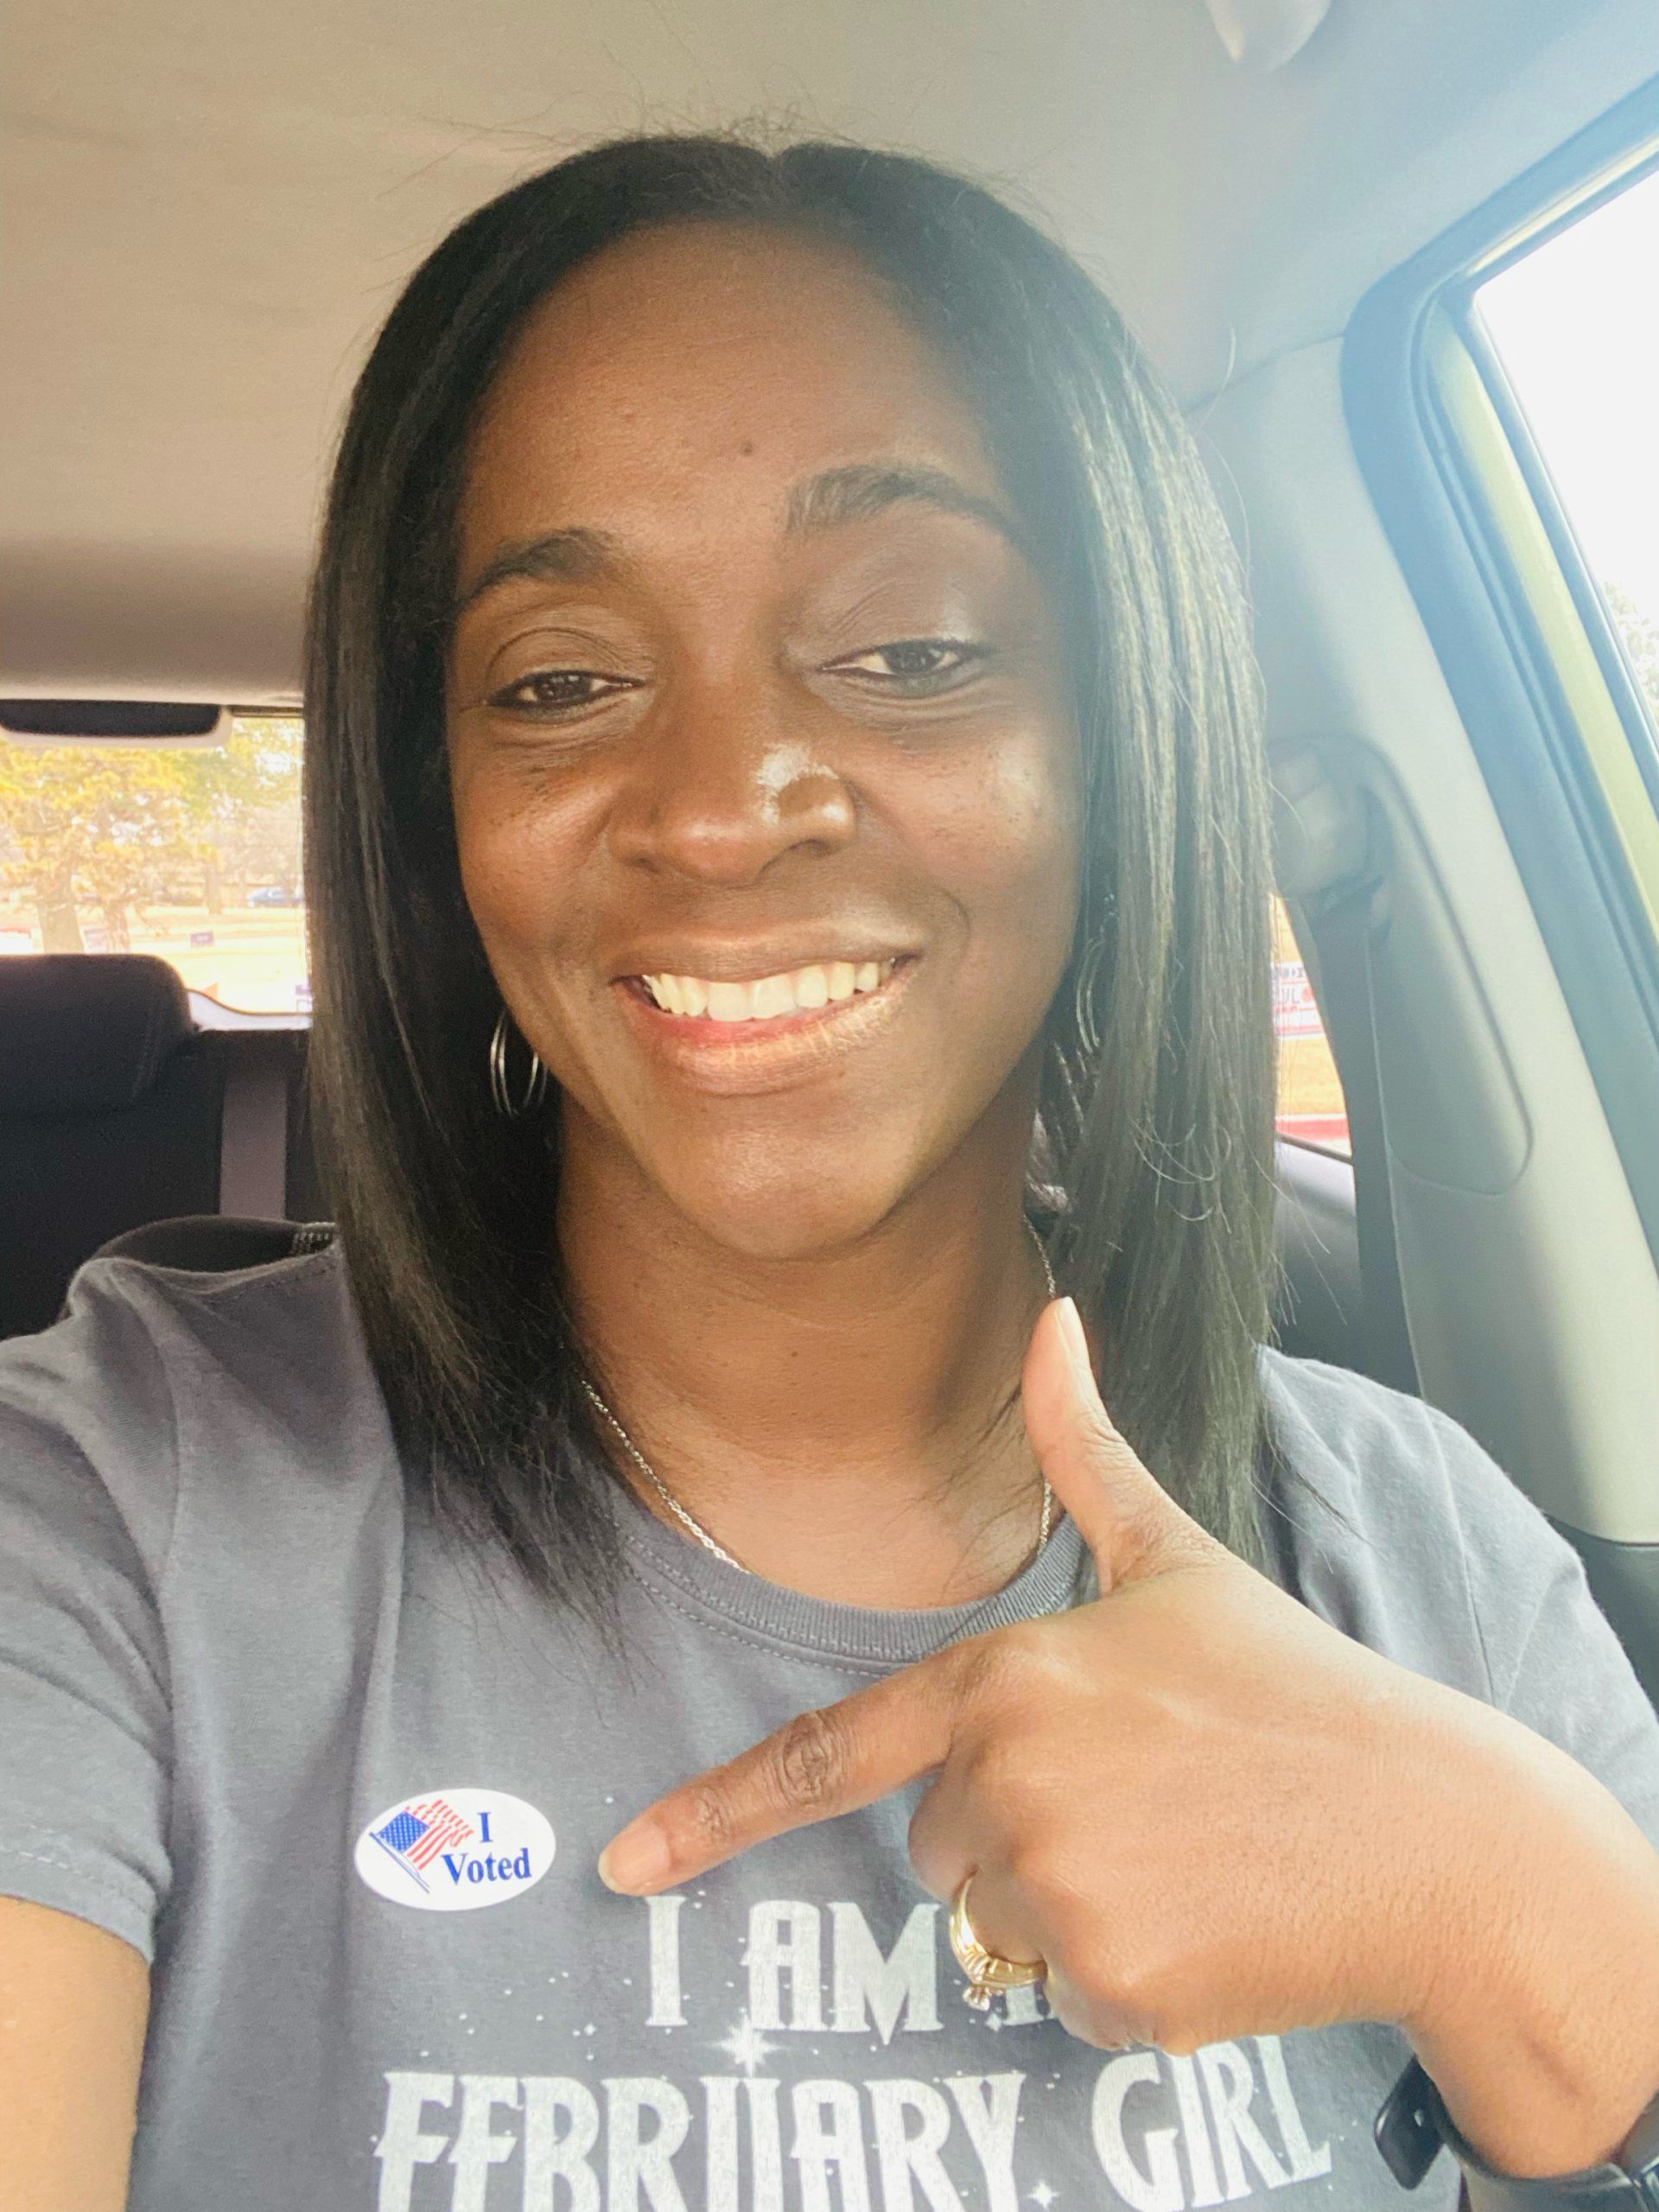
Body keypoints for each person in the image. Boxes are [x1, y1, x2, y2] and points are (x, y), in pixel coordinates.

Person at [2, 131, 1656, 2212]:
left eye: (907, 647)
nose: (720, 807)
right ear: (439, 819)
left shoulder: (1420, 1557)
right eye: (563, 682)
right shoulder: (110, 1506)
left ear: (1123, 740)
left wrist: (1501, 1895)